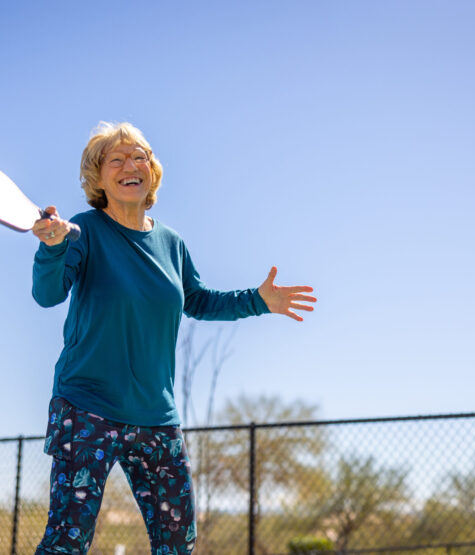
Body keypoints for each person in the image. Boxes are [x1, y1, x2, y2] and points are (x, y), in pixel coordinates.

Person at [31, 122, 316, 555]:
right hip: (86, 409)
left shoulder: (172, 243)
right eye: (117, 159)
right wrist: (52, 247)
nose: (131, 165)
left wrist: (258, 300)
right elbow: (47, 294)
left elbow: (198, 300)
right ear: (98, 177)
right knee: (67, 542)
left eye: (139, 157)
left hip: (156, 416)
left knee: (177, 544)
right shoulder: (83, 231)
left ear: (152, 171)